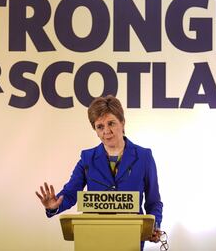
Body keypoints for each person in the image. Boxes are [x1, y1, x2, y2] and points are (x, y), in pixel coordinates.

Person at [36, 95, 163, 247]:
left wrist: (154, 226)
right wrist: (54, 206)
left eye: (111, 123)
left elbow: (153, 202)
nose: (106, 131)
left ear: (122, 123)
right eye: (100, 126)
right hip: (93, 238)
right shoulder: (87, 158)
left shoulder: (144, 156)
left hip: (131, 240)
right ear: (95, 129)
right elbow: (70, 193)